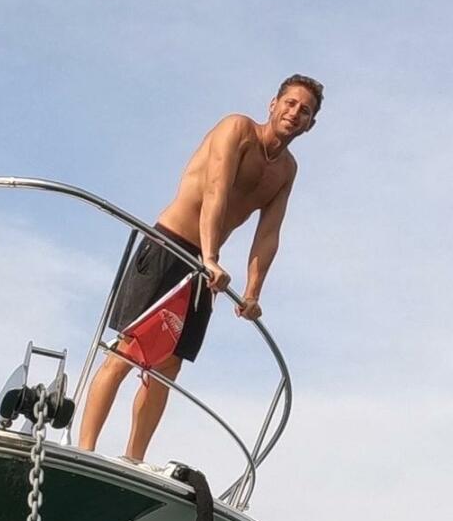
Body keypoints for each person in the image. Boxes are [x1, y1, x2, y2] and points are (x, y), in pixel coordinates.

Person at [77, 75, 322, 463]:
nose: (295, 113)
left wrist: (253, 293)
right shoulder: (237, 129)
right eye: (290, 103)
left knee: (168, 366)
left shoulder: (286, 170)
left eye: (304, 111)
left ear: (310, 124)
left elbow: (268, 234)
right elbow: (215, 190)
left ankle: (133, 461)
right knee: (127, 351)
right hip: (171, 245)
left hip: (205, 267)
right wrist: (209, 257)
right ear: (273, 104)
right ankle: (84, 451)